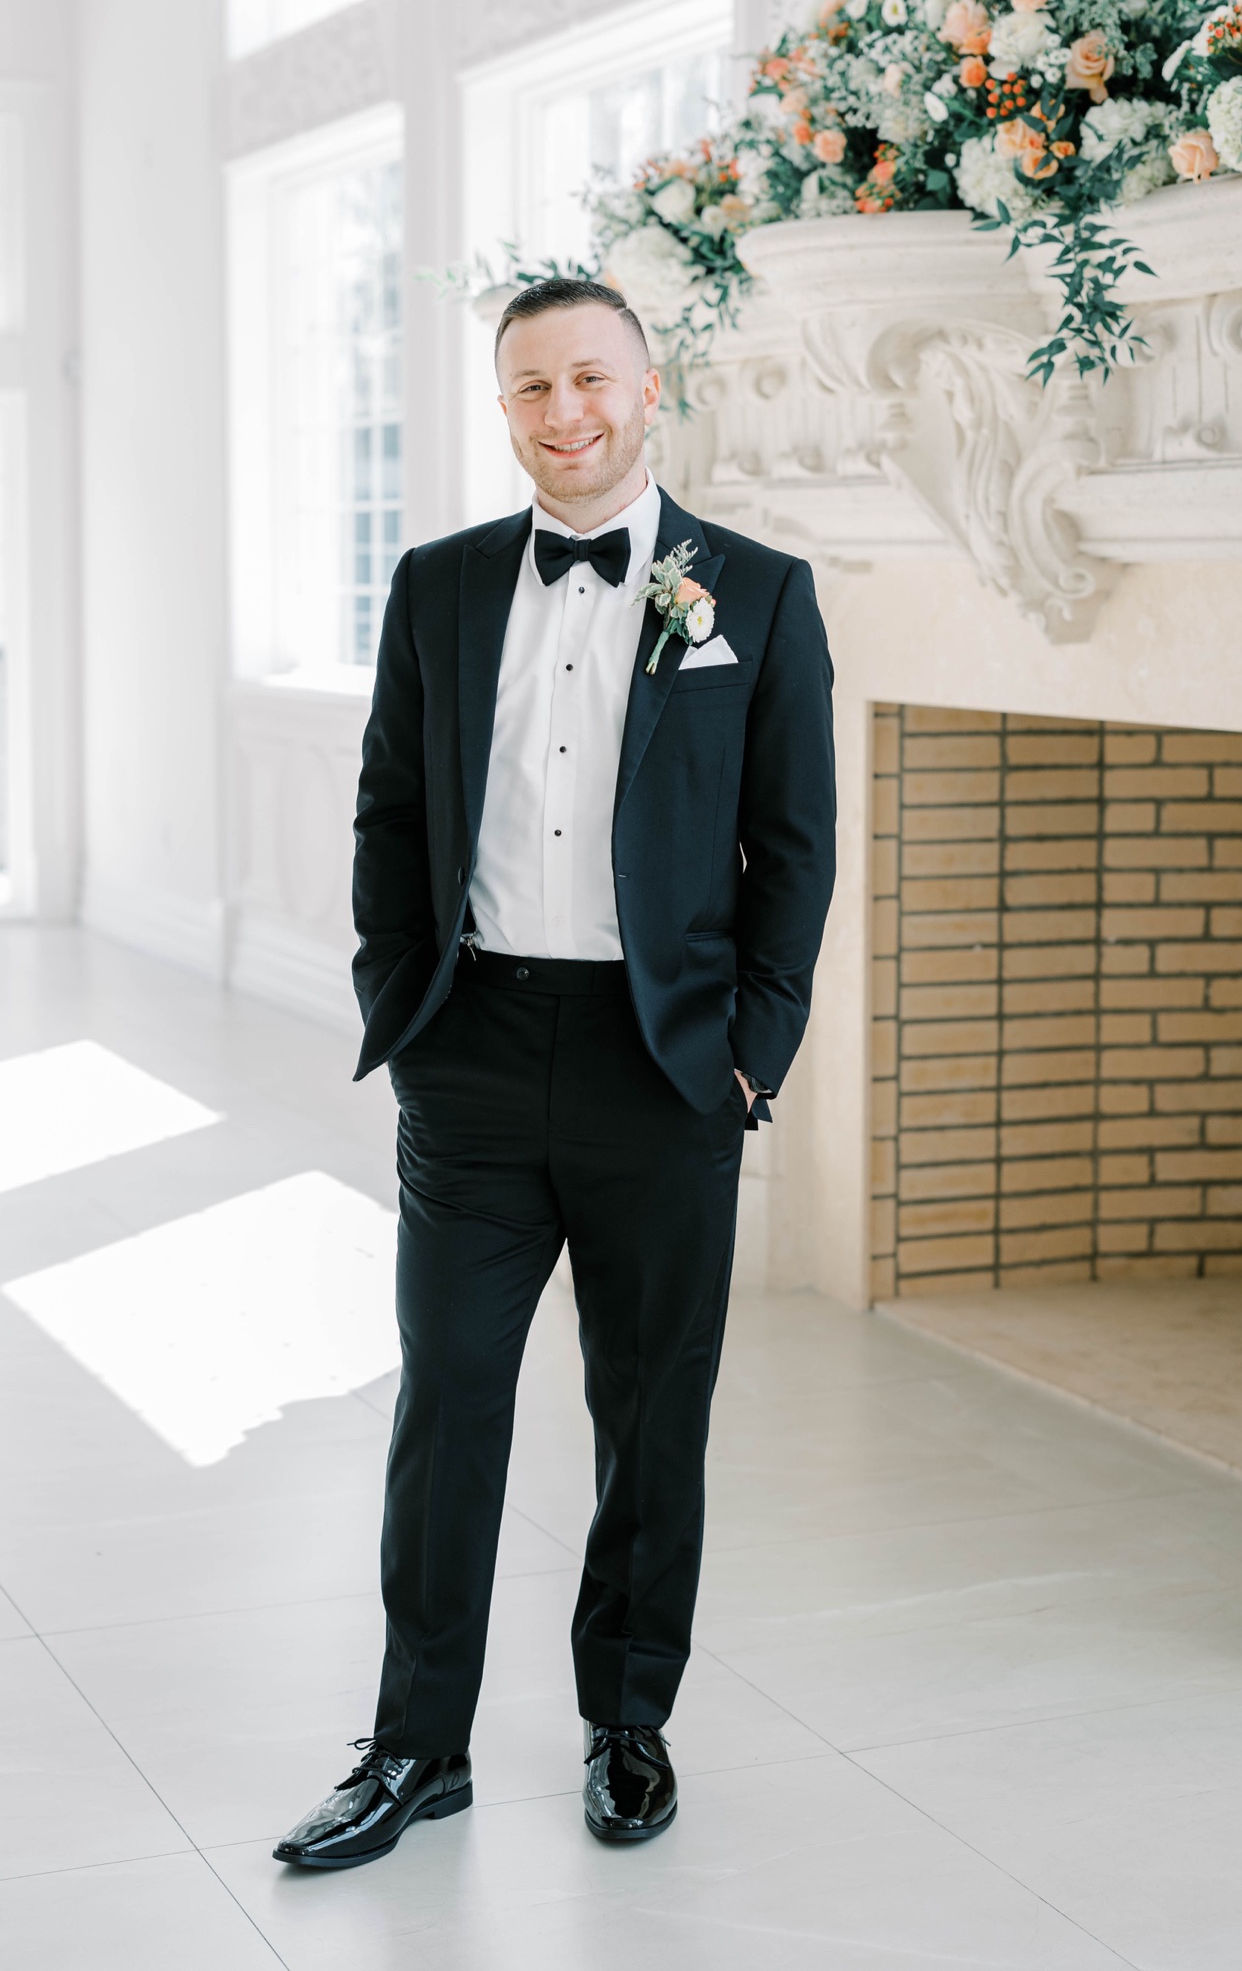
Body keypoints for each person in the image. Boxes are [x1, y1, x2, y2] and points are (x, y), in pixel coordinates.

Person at [274, 276, 835, 1869]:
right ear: (504, 408)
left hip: (667, 1070)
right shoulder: (438, 584)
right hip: (475, 1055)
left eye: (591, 378)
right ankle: (413, 1748)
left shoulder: (762, 594)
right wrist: (408, 999)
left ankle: (628, 1721)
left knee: (652, 1411)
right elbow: (391, 809)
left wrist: (752, 1054)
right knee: (447, 1404)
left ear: (649, 391)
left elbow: (793, 847)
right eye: (530, 388)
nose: (564, 412)